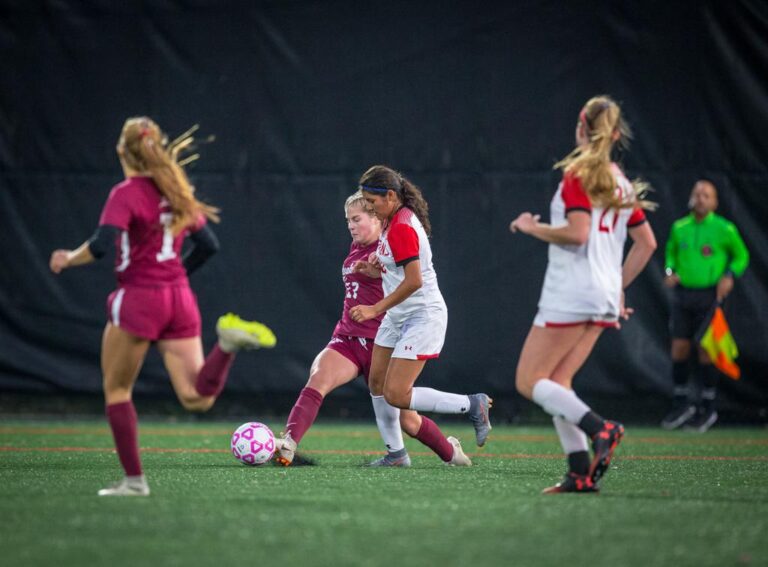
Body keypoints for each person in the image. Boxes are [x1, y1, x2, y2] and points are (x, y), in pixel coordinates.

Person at [49, 117, 276, 496]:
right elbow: (209, 244)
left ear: (123, 151)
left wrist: (67, 259)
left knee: (117, 390)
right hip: (179, 297)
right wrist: (176, 275)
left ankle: (135, 482)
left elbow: (102, 244)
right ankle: (227, 347)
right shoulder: (175, 189)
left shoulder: (126, 192)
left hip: (140, 297)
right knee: (196, 397)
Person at [509, 95, 657, 494]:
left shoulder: (579, 174)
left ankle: (600, 428)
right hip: (602, 294)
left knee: (528, 380)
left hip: (573, 291)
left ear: (581, 128)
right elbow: (646, 244)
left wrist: (530, 227)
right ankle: (578, 472)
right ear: (613, 133)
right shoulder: (620, 181)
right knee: (560, 381)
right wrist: (616, 289)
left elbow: (578, 233)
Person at [274, 191, 472, 467]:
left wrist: (380, 274)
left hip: (383, 340)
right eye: (347, 221)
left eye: (357, 219)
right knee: (318, 378)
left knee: (408, 420)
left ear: (378, 219)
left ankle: (451, 453)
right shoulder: (357, 247)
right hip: (348, 338)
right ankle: (288, 444)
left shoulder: (389, 246)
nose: (351, 226)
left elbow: (408, 277)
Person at [349, 165, 492, 467]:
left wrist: (375, 308)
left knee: (397, 395)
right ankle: (397, 455)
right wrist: (376, 270)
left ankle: (472, 404)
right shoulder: (390, 221)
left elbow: (415, 281)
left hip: (421, 316)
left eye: (372, 202)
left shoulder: (400, 226)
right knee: (376, 383)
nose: (368, 208)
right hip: (398, 316)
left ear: (390, 196)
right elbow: (399, 270)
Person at [661, 179, 749, 432]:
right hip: (683, 294)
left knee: (706, 348)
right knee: (679, 347)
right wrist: (670, 271)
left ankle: (707, 408)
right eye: (697, 193)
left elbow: (741, 255)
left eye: (706, 195)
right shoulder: (680, 228)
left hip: (710, 295)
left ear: (714, 202)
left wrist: (729, 275)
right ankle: (682, 404)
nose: (700, 198)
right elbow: (670, 255)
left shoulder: (725, 229)